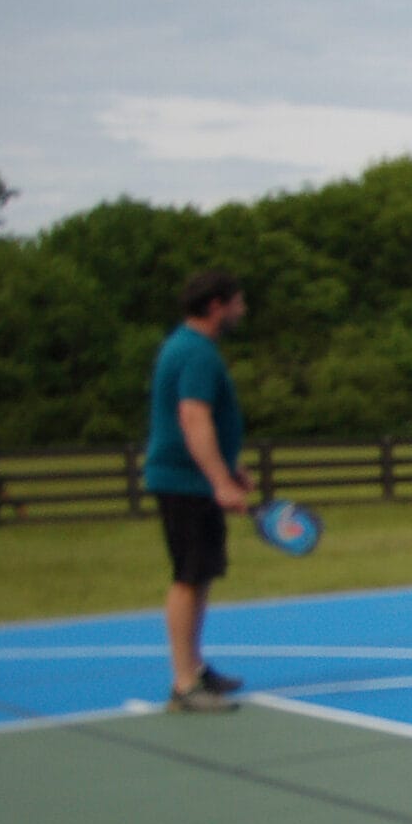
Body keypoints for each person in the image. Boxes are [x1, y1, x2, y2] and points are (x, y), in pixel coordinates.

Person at [144, 270, 257, 711]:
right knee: (188, 577)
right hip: (186, 483)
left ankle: (195, 667)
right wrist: (219, 482)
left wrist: (231, 468)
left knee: (201, 573)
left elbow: (198, 423)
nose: (241, 311)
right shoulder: (195, 353)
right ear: (217, 306)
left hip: (193, 480)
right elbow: (193, 418)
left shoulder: (189, 347)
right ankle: (185, 683)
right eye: (238, 303)